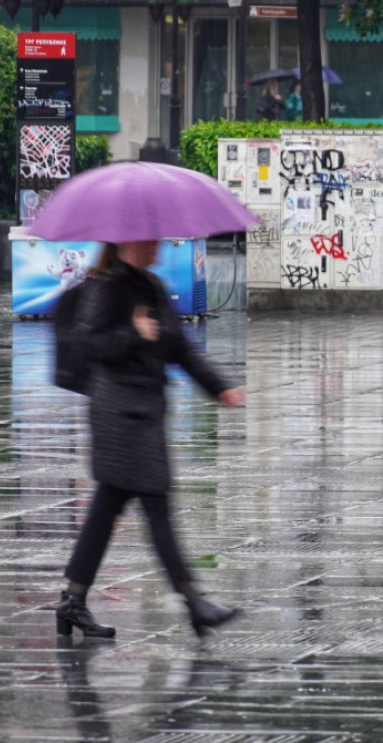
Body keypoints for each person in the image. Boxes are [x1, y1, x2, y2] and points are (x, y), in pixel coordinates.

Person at [56, 240, 246, 640]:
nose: (158, 246)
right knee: (156, 506)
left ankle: (73, 599)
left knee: (107, 510)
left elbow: (180, 347)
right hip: (119, 415)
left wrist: (220, 388)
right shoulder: (107, 287)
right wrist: (133, 332)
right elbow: (89, 344)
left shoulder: (153, 287)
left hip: (143, 414)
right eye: (152, 241)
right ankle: (194, 602)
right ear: (132, 243)